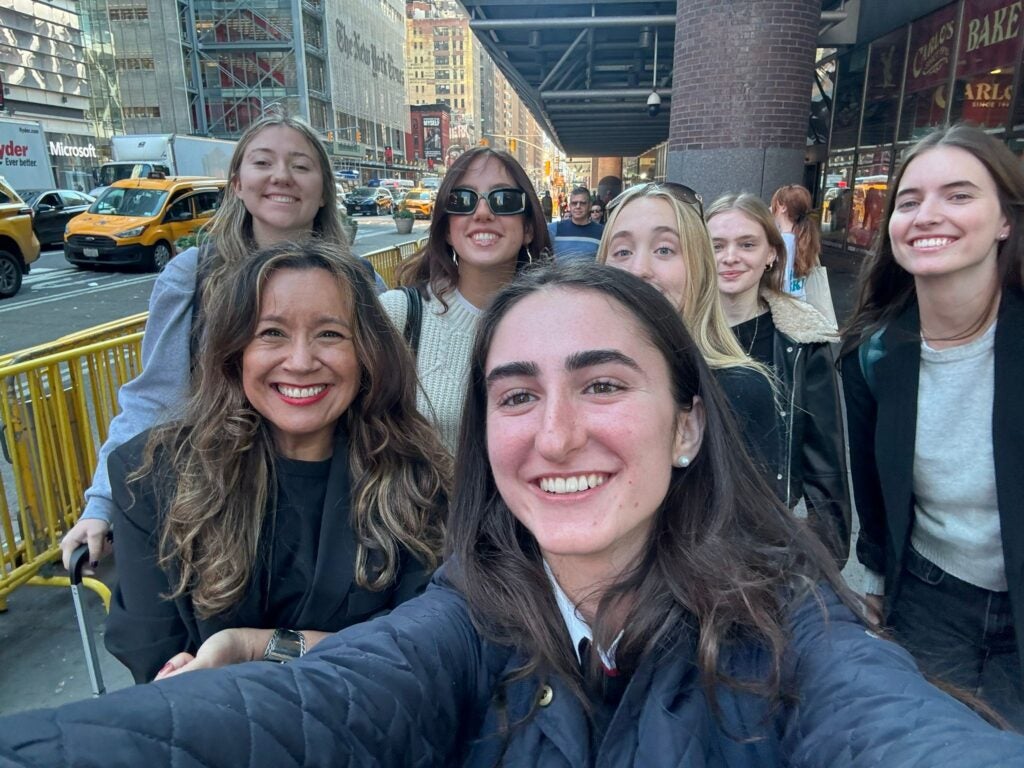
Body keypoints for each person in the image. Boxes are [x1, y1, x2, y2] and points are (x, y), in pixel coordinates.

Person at [4, 264, 1024, 766]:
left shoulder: (796, 628)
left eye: (604, 385)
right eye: (517, 395)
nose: (557, 434)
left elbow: (894, 730)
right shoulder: (469, 612)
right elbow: (316, 705)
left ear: (685, 427)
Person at [105, 241, 449, 683]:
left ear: (367, 354)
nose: (301, 362)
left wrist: (251, 646)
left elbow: (424, 652)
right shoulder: (149, 476)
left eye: (330, 333)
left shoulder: (419, 477)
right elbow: (157, 664)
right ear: (234, 352)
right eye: (271, 333)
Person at [58, 113, 362, 572]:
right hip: (220, 501)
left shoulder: (361, 283)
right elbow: (155, 398)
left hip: (334, 500)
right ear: (237, 183)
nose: (281, 176)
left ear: (323, 192)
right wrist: (101, 501)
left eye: (301, 165)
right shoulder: (192, 276)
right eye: (264, 162)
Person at [840, 124, 1024, 727]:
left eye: (959, 195)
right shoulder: (873, 353)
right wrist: (873, 576)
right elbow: (871, 481)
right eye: (909, 200)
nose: (927, 215)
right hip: (929, 597)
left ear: (1005, 220)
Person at [597, 182, 785, 501]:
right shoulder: (574, 382)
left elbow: (758, 535)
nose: (639, 269)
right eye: (623, 251)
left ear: (697, 267)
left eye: (664, 250)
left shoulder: (741, 389)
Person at [706, 193, 850, 563]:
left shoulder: (801, 340)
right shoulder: (673, 334)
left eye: (747, 244)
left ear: (771, 253)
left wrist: (825, 564)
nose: (730, 257)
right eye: (716, 245)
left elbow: (825, 465)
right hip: (687, 535)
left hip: (767, 538)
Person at [381, 146, 552, 453]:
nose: (483, 213)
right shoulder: (398, 314)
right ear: (447, 228)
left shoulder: (560, 324)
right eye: (462, 201)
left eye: (504, 200)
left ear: (528, 227)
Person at [769, 184, 820, 300]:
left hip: (783, 304)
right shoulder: (805, 236)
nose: (771, 208)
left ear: (783, 207)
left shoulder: (780, 241)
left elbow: (780, 280)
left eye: (774, 204)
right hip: (800, 301)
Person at [548, 186, 604, 263]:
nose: (578, 206)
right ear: (570, 206)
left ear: (590, 206)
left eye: (582, 203)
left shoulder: (602, 231)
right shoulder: (554, 229)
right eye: (574, 203)